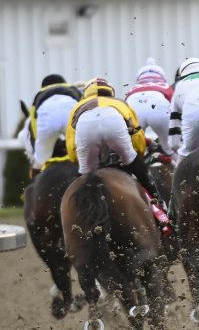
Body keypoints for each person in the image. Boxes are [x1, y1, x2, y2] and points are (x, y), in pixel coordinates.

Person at [65, 78, 170, 222]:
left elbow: (71, 146)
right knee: (133, 161)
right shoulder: (120, 103)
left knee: (84, 176)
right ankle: (158, 201)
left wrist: (78, 162)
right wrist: (134, 158)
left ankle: (74, 216)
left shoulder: (77, 107)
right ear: (110, 92)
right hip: (113, 119)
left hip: (85, 125)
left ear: (86, 94)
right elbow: (137, 135)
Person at [27, 74, 82, 177]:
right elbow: (83, 107)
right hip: (70, 112)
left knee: (41, 157)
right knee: (83, 152)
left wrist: (38, 146)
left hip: (47, 117)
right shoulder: (72, 89)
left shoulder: (39, 94)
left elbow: (33, 124)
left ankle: (35, 175)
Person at [125, 57, 174, 158]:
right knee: (169, 146)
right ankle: (178, 166)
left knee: (135, 149)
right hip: (159, 108)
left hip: (134, 105)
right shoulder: (166, 87)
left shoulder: (132, 90)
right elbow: (175, 107)